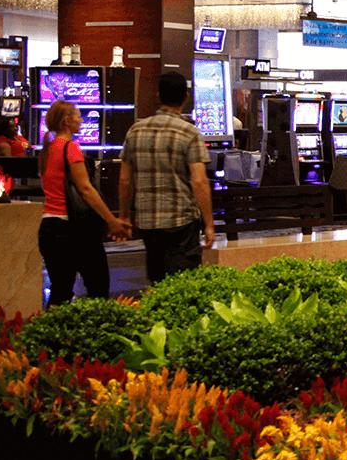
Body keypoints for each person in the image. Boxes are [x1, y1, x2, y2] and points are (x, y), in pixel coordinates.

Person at [119, 71, 215, 283]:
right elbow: (199, 181)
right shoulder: (189, 133)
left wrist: (124, 216)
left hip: (147, 222)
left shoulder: (135, 130)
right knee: (183, 284)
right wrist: (209, 223)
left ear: (158, 96)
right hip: (181, 220)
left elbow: (125, 179)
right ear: (186, 97)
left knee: (156, 280)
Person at [37, 100, 131, 307]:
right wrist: (111, 220)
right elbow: (85, 189)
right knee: (98, 286)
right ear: (67, 121)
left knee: (60, 290)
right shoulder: (70, 148)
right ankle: (94, 325)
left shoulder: (47, 150)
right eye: (78, 116)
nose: (81, 120)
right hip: (74, 229)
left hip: (49, 227)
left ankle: (51, 327)